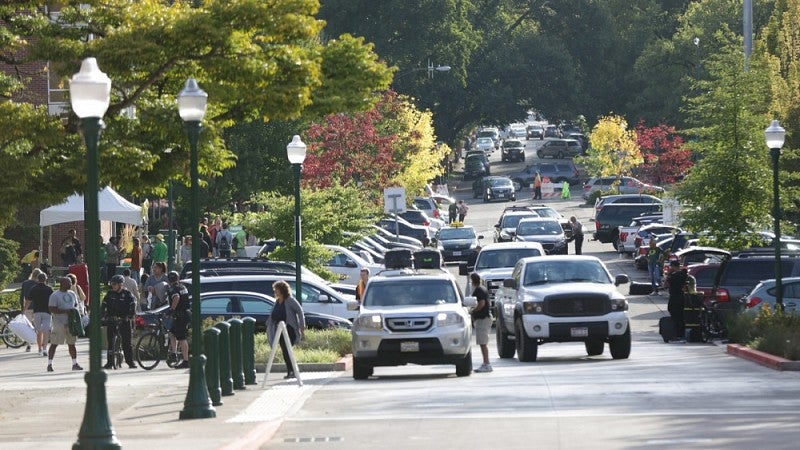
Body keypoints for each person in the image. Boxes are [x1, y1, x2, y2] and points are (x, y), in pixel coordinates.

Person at [267, 280, 305, 379]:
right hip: (279, 330)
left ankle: (292, 371)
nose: (275, 291)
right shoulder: (277, 302)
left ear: (282, 290)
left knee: (287, 350)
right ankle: (291, 371)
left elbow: (299, 311)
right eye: (275, 290)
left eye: (277, 289)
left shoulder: (289, 300)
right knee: (285, 351)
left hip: (289, 329)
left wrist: (301, 326)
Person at [47, 277, 83, 372]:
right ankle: (49, 364)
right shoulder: (55, 295)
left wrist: (74, 312)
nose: (70, 284)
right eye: (68, 283)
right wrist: (65, 311)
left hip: (70, 323)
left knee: (72, 344)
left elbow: (75, 305)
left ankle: (75, 363)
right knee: (54, 343)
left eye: (71, 282)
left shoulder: (72, 294)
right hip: (59, 323)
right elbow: (51, 309)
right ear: (62, 283)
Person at [100, 275, 137, 369]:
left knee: (126, 342)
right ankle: (109, 363)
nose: (113, 286)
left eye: (115, 284)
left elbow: (133, 305)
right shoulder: (110, 294)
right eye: (112, 284)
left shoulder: (128, 294)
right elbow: (103, 305)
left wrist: (129, 316)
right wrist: (102, 316)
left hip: (124, 320)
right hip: (112, 319)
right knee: (110, 342)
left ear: (121, 284)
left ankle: (130, 362)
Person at [166, 271, 191, 369]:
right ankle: (174, 353)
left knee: (181, 338)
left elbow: (176, 297)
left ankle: (186, 361)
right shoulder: (182, 287)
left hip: (181, 315)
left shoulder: (173, 289)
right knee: (171, 333)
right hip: (184, 313)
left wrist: (171, 309)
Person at [26, 272, 53, 356]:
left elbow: (28, 301)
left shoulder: (33, 288)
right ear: (46, 279)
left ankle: (39, 349)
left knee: (39, 331)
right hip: (47, 312)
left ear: (37, 279)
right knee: (46, 331)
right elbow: (53, 300)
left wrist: (24, 310)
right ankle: (45, 349)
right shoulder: (49, 289)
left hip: (37, 312)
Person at [470, 272, 493, 373]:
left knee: (483, 343)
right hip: (484, 318)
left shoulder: (479, 290)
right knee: (482, 342)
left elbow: (482, 303)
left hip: (483, 319)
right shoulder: (482, 288)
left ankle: (487, 364)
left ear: (472, 281)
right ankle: (485, 363)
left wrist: (473, 310)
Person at [19, 268, 43, 352]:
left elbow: (21, 296)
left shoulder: (25, 283)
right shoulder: (39, 284)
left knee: (28, 327)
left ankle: (28, 345)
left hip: (27, 307)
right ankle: (40, 345)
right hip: (37, 307)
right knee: (38, 327)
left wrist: (22, 307)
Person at [665, 260, 689, 343]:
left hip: (675, 297)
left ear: (674, 267)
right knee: (681, 316)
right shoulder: (684, 274)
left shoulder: (674, 275)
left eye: (671, 266)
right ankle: (682, 335)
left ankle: (678, 335)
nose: (670, 268)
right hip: (682, 297)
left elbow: (666, 285)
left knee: (675, 316)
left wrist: (668, 274)